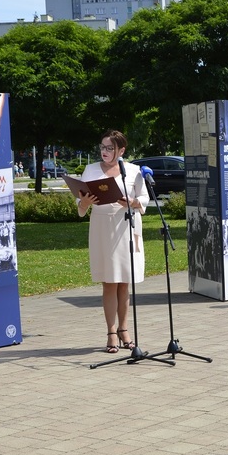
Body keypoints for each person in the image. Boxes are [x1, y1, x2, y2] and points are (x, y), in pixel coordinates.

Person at [77, 130, 149, 353]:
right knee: (109, 282)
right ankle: (111, 331)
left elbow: (144, 198)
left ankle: (124, 329)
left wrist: (133, 201)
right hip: (102, 227)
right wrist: (85, 202)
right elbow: (80, 205)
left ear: (121, 151)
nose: (104, 152)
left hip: (126, 226)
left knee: (124, 281)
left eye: (109, 148)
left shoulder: (133, 171)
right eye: (102, 147)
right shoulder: (90, 170)